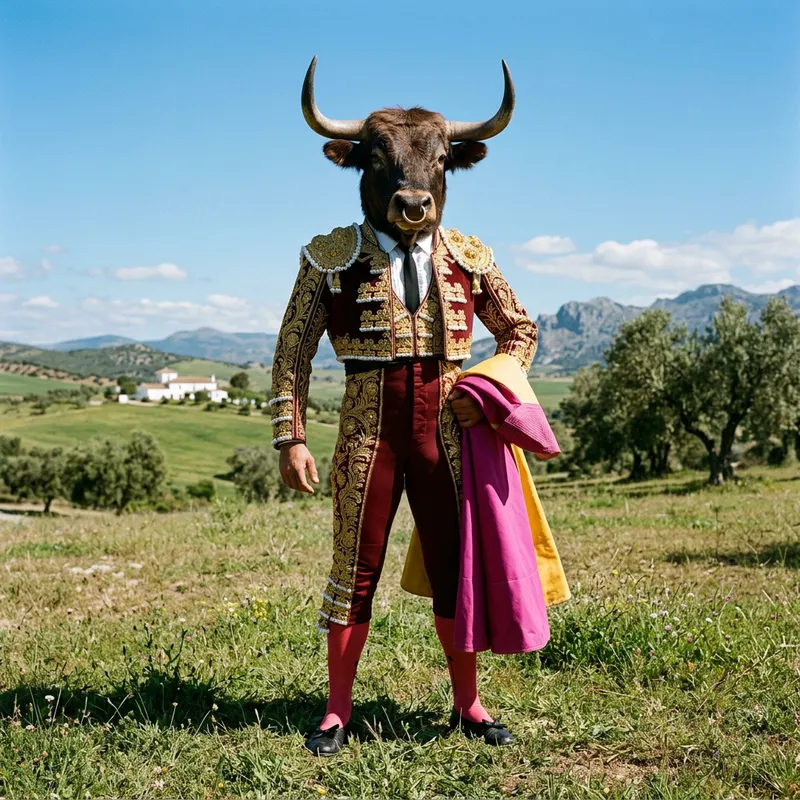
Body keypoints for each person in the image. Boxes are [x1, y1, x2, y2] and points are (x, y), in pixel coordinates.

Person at [270, 57, 538, 755]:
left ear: (449, 169)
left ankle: (470, 704)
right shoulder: (328, 257)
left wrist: (492, 391)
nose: (413, 189)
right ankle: (336, 710)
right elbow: (292, 351)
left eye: (430, 169)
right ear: (359, 167)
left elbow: (521, 330)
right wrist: (291, 438)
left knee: (457, 567)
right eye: (392, 169)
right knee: (352, 569)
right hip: (367, 431)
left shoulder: (471, 256)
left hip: (448, 432)